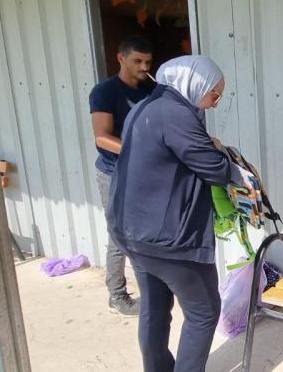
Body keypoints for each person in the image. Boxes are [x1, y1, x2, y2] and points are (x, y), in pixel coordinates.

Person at [107, 55, 251, 372]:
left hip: (131, 230)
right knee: (204, 312)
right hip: (166, 238)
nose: (215, 103)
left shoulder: (145, 108)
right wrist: (222, 154)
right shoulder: (176, 114)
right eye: (214, 94)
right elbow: (215, 170)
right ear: (195, 83)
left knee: (155, 307)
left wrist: (206, 145)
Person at [89, 35, 155, 316]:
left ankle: (152, 290)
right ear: (121, 58)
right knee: (119, 235)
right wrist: (139, 149)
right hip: (113, 173)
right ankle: (117, 295)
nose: (144, 67)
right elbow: (101, 137)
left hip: (143, 172)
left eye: (148, 62)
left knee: (146, 231)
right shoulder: (105, 91)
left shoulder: (151, 88)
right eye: (137, 61)